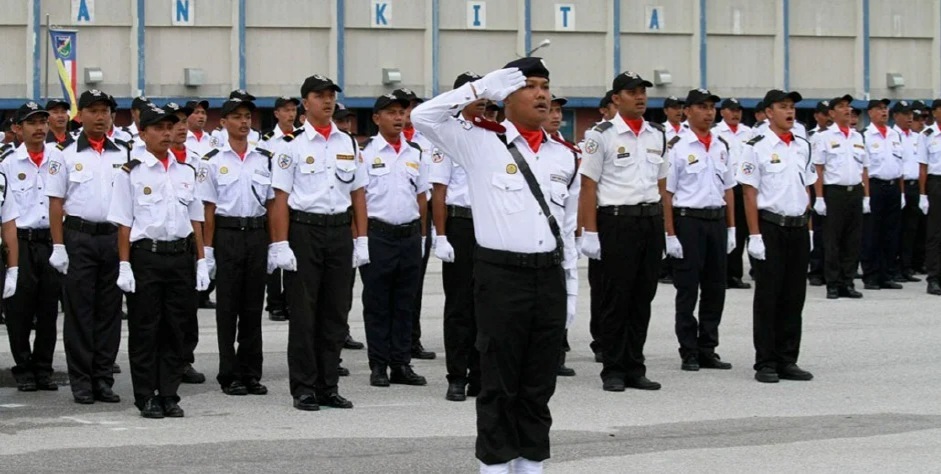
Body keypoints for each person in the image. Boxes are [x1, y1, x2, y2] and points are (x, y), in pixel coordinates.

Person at [412, 58, 579, 474]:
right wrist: (481, 87)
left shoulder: (565, 156)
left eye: (545, 86)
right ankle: (495, 465)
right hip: (501, 275)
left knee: (538, 383)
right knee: (498, 381)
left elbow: (567, 229)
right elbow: (423, 117)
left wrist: (571, 289)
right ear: (506, 96)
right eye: (530, 86)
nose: (541, 95)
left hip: (549, 276)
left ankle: (531, 465)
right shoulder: (481, 142)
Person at [269, 74, 365, 411]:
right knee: (304, 313)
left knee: (336, 312)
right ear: (304, 103)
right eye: (319, 95)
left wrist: (362, 239)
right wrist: (281, 244)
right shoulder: (290, 145)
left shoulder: (348, 143)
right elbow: (280, 198)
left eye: (331, 96)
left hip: (339, 231)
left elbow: (358, 194)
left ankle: (328, 385)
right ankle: (304, 387)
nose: (327, 101)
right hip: (305, 231)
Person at [108, 105, 209, 418]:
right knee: (145, 328)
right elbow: (123, 223)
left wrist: (201, 260)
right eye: (159, 128)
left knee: (177, 328)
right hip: (146, 257)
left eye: (170, 127)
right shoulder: (131, 172)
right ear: (143, 134)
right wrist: (124, 265)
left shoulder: (186, 171)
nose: (167, 133)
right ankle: (146, 395)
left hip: (180, 256)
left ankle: (169, 393)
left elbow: (196, 220)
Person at [579, 71, 667, 391]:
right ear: (616, 98)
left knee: (642, 298)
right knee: (616, 298)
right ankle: (613, 368)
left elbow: (662, 185)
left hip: (650, 220)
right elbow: (588, 185)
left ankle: (635, 366)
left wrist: (667, 231)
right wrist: (590, 231)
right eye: (632, 92)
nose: (640, 97)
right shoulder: (601, 135)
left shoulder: (657, 134)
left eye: (642, 91)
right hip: (616, 221)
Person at [46, 89, 129, 405]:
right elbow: (56, 203)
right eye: (93, 111)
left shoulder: (123, 152)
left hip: (112, 237)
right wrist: (58, 245)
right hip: (79, 238)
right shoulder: (64, 153)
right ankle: (81, 381)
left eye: (104, 111)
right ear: (80, 116)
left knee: (109, 312)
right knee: (80, 312)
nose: (100, 117)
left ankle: (103, 379)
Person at [196, 98, 273, 396]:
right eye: (237, 117)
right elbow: (208, 210)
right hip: (227, 234)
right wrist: (208, 251)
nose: (243, 122)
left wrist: (273, 243)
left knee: (253, 306)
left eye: (247, 117)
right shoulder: (212, 160)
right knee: (228, 308)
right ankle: (229, 374)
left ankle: (251, 372)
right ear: (224, 122)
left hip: (255, 233)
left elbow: (271, 203)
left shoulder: (263, 157)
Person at [739, 89, 815, 384]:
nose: (790, 111)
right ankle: (766, 361)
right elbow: (749, 192)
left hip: (798, 227)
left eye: (792, 107)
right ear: (769, 112)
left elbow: (806, 187)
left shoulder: (802, 145)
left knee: (794, 297)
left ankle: (788, 359)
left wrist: (809, 228)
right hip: (771, 226)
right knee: (769, 296)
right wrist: (754, 235)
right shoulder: (756, 146)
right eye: (783, 107)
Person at [359, 94, 431, 388]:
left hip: (409, 236)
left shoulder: (415, 152)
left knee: (405, 303)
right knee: (377, 303)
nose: (399, 118)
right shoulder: (365, 153)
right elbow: (358, 199)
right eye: (391, 112)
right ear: (377, 118)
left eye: (402, 112)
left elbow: (421, 197)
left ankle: (401, 363)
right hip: (378, 235)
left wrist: (422, 235)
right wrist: (360, 239)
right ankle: (378, 364)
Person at [663, 88, 736, 372]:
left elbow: (728, 189)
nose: (709, 113)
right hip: (688, 222)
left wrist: (731, 227)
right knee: (688, 289)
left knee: (715, 288)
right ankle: (688, 350)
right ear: (688, 111)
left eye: (711, 108)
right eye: (702, 107)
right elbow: (667, 193)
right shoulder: (677, 146)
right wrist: (670, 234)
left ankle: (708, 348)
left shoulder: (721, 144)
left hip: (716, 221)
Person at [430, 72, 484, 401]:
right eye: (476, 95)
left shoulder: (494, 134)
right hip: (460, 225)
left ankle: (480, 374)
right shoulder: (446, 136)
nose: (483, 102)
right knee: (459, 305)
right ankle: (457, 375)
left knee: (486, 304)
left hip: (488, 226)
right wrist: (441, 235)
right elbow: (439, 191)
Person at [2, 103, 55, 391]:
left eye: (43, 122)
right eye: (32, 123)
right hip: (20, 242)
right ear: (17, 128)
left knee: (48, 308)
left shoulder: (58, 159)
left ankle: (44, 368)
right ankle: (23, 367)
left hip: (50, 242)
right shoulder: (8, 164)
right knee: (19, 310)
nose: (39, 128)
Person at [393, 87, 437, 361]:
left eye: (412, 107)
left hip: (422, 213)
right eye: (404, 107)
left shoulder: (428, 138)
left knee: (415, 282)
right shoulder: (383, 142)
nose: (408, 113)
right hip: (393, 216)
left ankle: (412, 338)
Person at [813, 95, 869, 299]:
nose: (847, 110)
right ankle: (833, 283)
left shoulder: (857, 137)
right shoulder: (824, 137)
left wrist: (866, 196)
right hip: (834, 193)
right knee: (833, 240)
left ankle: (848, 282)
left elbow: (864, 168)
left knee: (852, 241)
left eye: (849, 106)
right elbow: (818, 169)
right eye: (841, 107)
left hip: (854, 192)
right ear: (831, 113)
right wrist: (819, 197)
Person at [545, 93, 579, 378]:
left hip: (560, 239)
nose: (556, 116)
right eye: (551, 110)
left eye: (559, 111)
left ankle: (557, 353)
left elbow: (571, 207)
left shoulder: (570, 154)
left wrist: (572, 242)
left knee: (562, 297)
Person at [262, 97, 302, 322]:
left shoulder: (301, 138)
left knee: (295, 254)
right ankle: (275, 302)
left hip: (297, 204)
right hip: (275, 203)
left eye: (293, 110)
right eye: (286, 110)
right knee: (276, 251)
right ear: (276, 113)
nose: (291, 114)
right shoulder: (267, 141)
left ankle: (290, 299)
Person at [860, 99, 905, 290]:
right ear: (870, 113)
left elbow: (900, 165)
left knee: (891, 233)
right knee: (872, 233)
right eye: (879, 109)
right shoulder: (865, 135)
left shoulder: (895, 134)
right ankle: (871, 275)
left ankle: (886, 274)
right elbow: (864, 167)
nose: (883, 112)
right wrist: (866, 195)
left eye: (885, 108)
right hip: (875, 187)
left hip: (893, 186)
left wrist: (902, 192)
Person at [714, 98, 753, 289]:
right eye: (731, 110)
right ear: (722, 112)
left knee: (742, 231)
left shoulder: (749, 132)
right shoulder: (716, 132)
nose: (735, 113)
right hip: (724, 187)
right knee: (726, 229)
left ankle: (735, 274)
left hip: (743, 187)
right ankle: (721, 273)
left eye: (738, 110)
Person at [896, 101, 925, 282]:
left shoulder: (917, 137)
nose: (910, 118)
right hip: (900, 186)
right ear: (896, 116)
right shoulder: (893, 135)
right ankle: (894, 267)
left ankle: (907, 267)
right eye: (905, 114)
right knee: (897, 229)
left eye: (911, 115)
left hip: (915, 186)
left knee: (911, 230)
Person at [806, 100, 832, 287]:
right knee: (818, 231)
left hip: (834, 188)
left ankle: (831, 270)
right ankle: (816, 270)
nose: (828, 117)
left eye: (830, 113)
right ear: (816, 116)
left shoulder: (840, 135)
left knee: (833, 232)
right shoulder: (811, 136)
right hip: (817, 187)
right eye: (824, 114)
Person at [919, 99, 941, 295]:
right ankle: (933, 278)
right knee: (935, 233)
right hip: (936, 183)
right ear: (935, 112)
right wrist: (923, 194)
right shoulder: (927, 135)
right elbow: (923, 167)